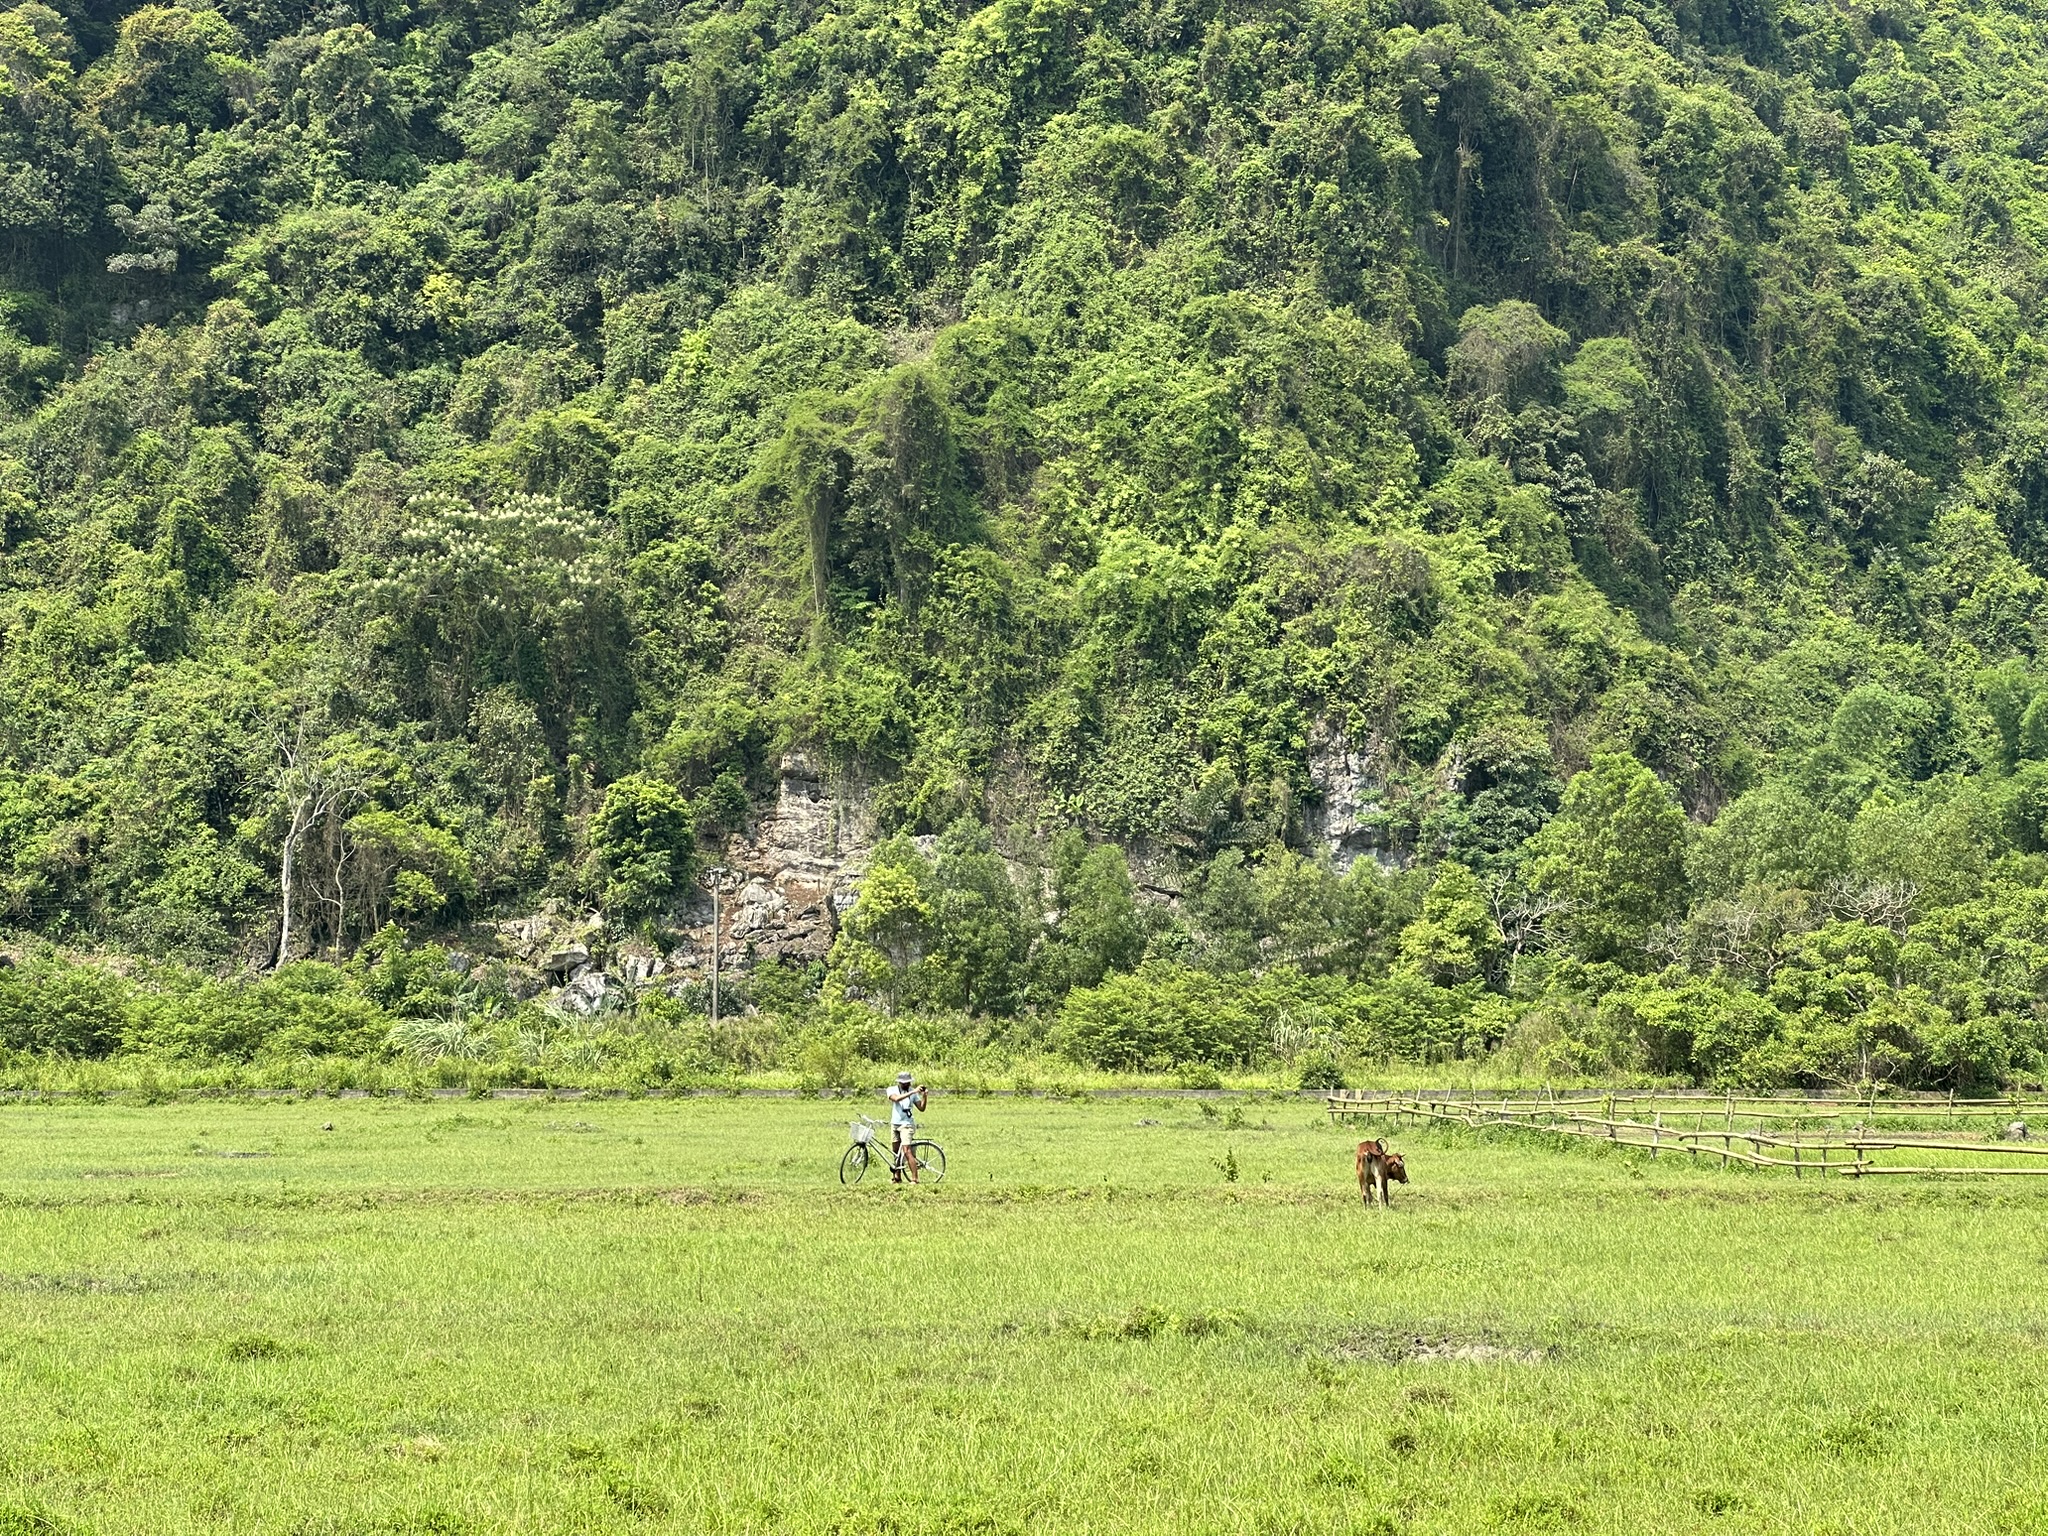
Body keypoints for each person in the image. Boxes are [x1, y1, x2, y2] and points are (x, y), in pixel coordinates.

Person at [886, 1071, 927, 1183]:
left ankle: (915, 1178)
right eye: (904, 1083)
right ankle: (897, 1177)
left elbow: (921, 1108)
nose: (906, 1084)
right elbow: (896, 1099)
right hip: (895, 1124)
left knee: (906, 1150)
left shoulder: (913, 1092)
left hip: (907, 1125)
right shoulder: (892, 1090)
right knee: (896, 1152)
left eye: (908, 1082)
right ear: (899, 1082)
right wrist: (913, 1092)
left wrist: (924, 1096)